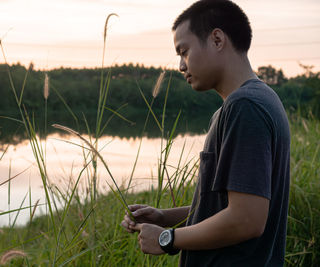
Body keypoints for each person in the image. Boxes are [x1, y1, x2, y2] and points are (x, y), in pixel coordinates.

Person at [120, 0, 290, 266]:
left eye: (184, 51)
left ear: (217, 39)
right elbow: (227, 208)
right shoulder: (251, 102)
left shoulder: (245, 107)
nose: (180, 65)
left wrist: (168, 238)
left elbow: (246, 220)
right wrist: (164, 217)